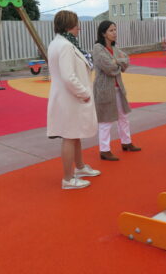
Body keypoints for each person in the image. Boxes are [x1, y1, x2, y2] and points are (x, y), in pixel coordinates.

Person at [47, 10, 101, 190]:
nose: (79, 27)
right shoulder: (65, 46)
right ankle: (68, 179)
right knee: (70, 136)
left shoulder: (60, 43)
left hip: (67, 97)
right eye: (77, 23)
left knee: (75, 134)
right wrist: (84, 93)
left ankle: (79, 167)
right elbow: (69, 76)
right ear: (70, 25)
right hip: (70, 97)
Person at [93, 20, 141, 161]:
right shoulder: (98, 48)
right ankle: (104, 150)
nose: (114, 33)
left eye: (115, 29)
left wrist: (116, 62)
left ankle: (126, 142)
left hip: (118, 88)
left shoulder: (115, 48)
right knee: (105, 120)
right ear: (103, 33)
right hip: (104, 89)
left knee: (123, 117)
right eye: (111, 30)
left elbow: (126, 61)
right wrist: (117, 62)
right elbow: (108, 68)